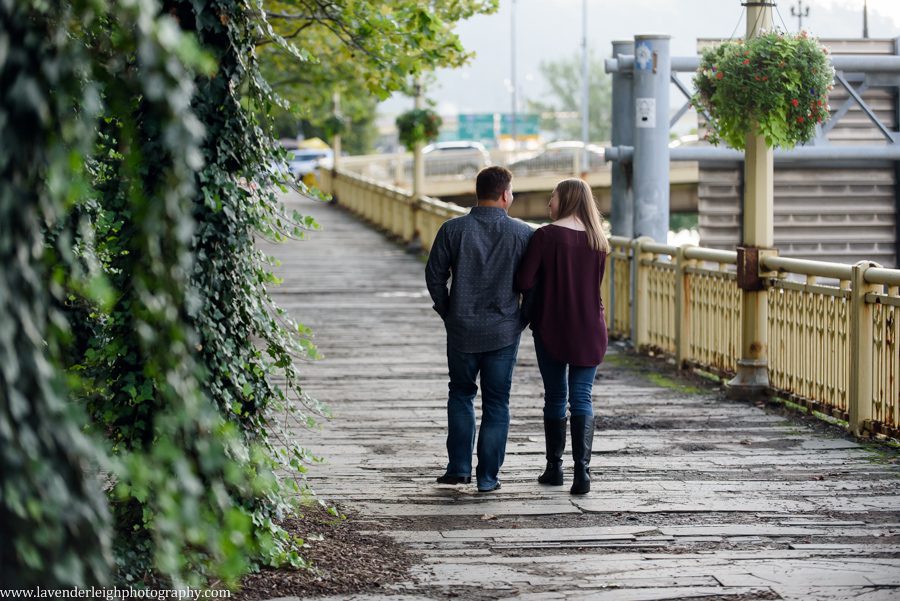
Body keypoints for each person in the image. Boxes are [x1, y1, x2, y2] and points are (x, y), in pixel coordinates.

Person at [425, 166, 534, 493]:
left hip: (462, 330)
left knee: (460, 394)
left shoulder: (452, 229)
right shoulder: (523, 234)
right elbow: (533, 285)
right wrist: (520, 319)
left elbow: (434, 277)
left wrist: (449, 312)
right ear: (505, 195)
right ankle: (488, 478)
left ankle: (458, 468)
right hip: (503, 331)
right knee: (497, 403)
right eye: (511, 191)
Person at [514, 178, 610, 495]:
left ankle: (554, 469)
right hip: (590, 327)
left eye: (552, 197)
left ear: (565, 199)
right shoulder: (599, 240)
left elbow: (525, 280)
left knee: (555, 396)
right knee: (582, 397)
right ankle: (582, 473)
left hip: (552, 326)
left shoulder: (546, 236)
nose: (549, 204)